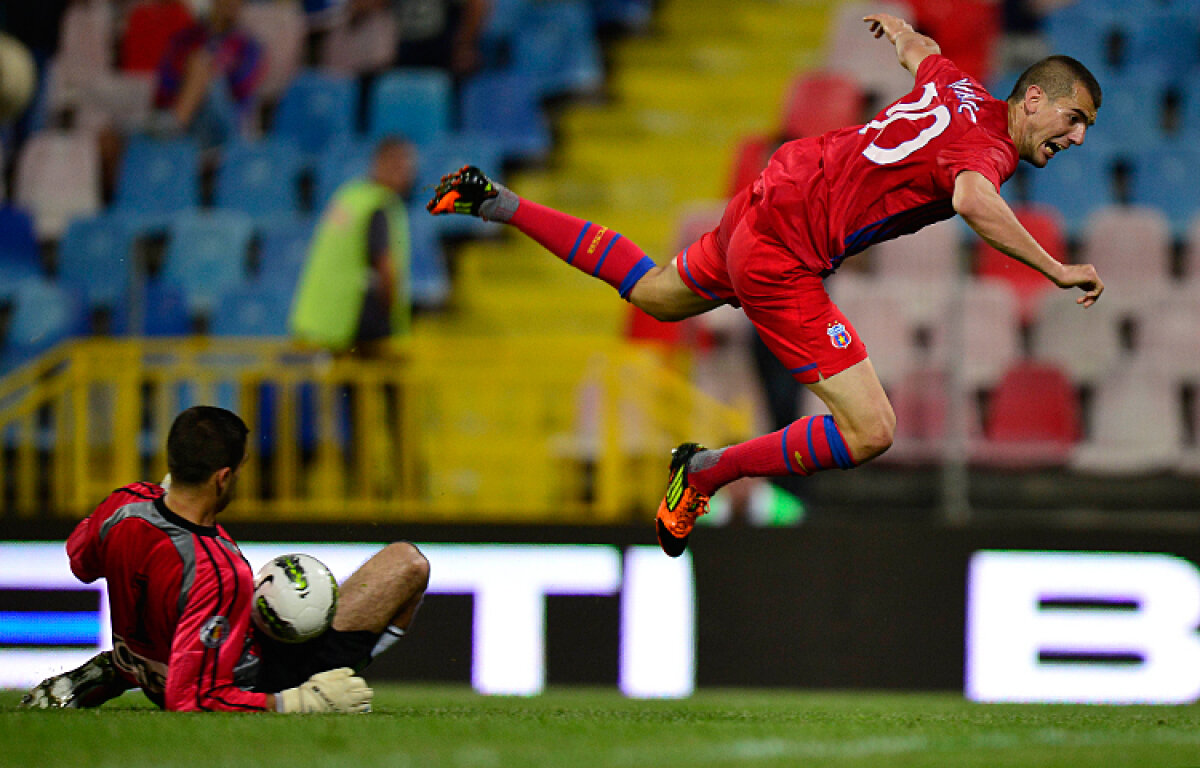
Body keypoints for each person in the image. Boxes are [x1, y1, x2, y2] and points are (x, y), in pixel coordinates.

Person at [426, 13, 1104, 557]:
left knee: (657, 295)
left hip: (766, 197)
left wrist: (896, 32)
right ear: (1034, 98)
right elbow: (973, 201)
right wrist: (1056, 266)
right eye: (1072, 120)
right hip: (783, 251)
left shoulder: (956, 86)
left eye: (1086, 129)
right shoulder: (987, 150)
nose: (1075, 138)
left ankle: (494, 202)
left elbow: (921, 48)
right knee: (871, 431)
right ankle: (706, 473)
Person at [20, 406, 430, 712]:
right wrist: (297, 702)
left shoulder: (123, 504)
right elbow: (194, 698)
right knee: (408, 563)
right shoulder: (218, 571)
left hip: (145, 659)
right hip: (258, 673)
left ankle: (120, 667)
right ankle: (332, 672)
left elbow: (80, 562)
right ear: (223, 476)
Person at [290, 136, 416, 358]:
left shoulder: (350, 196)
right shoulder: (379, 205)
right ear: (379, 164)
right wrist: (390, 320)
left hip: (321, 316)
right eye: (399, 166)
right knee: (381, 379)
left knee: (340, 388)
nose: (406, 174)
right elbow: (385, 267)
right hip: (350, 319)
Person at [151, 0, 263, 147]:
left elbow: (242, 89)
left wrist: (211, 72)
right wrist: (190, 76)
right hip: (191, 119)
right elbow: (164, 86)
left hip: (227, 120)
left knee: (204, 69)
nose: (232, 4)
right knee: (198, 62)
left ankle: (176, 123)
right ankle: (177, 122)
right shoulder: (185, 39)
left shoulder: (248, 46)